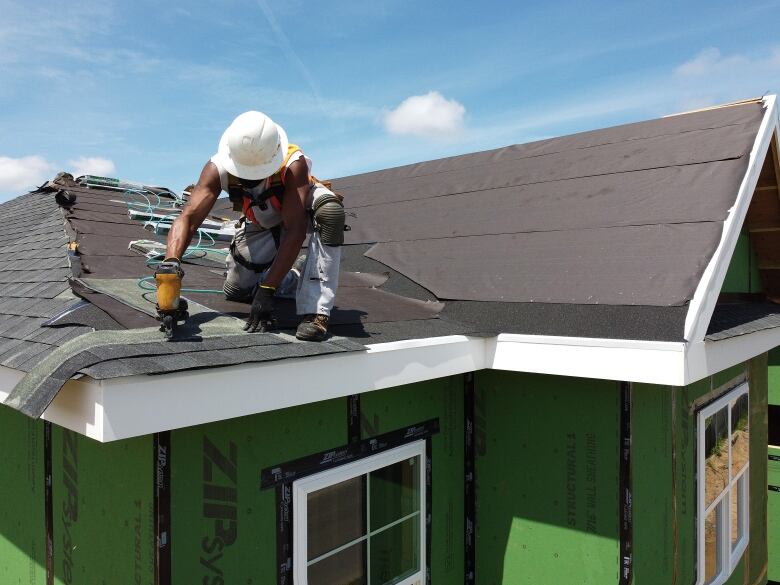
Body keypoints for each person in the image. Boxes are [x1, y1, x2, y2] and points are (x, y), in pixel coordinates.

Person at [156, 111, 345, 341]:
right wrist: (170, 267)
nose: (250, 178)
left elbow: (294, 230)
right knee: (236, 291)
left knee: (330, 213)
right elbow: (188, 218)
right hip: (261, 221)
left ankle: (316, 311)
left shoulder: (293, 165)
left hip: (297, 210)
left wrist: (268, 289)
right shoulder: (218, 168)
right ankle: (291, 276)